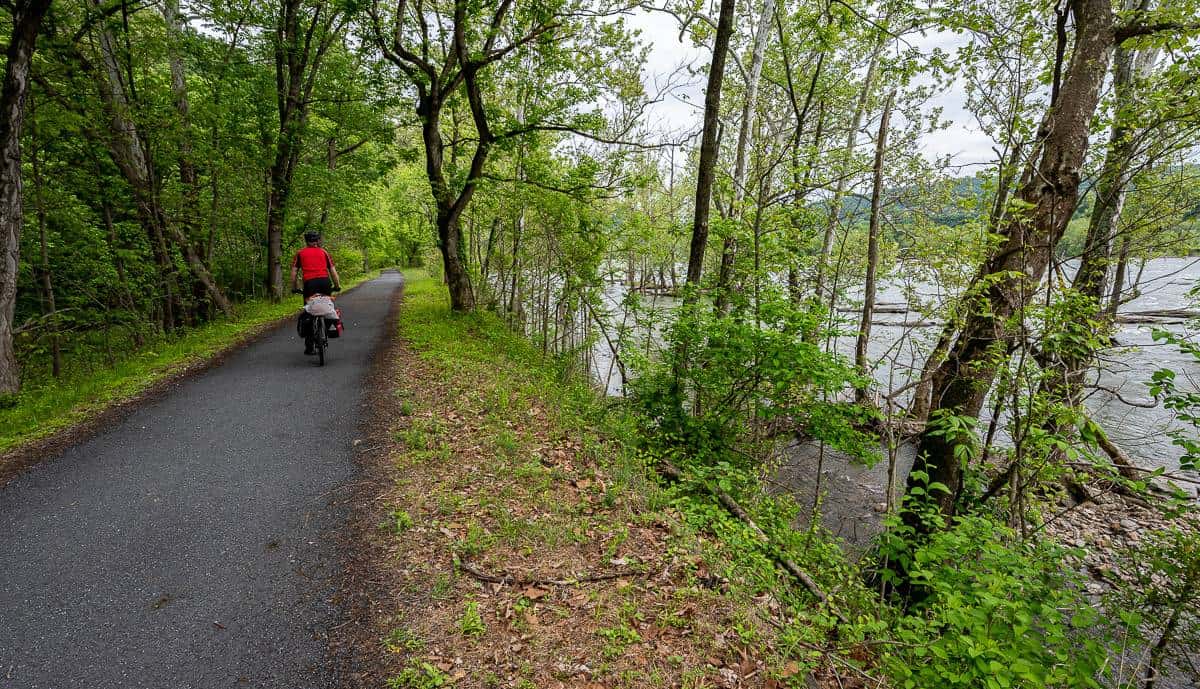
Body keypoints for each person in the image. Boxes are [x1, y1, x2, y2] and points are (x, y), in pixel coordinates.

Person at [291, 231, 341, 355]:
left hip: (309, 284)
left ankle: (309, 347)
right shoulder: (324, 252)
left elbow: (294, 273)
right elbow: (333, 272)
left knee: (309, 311)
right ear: (317, 241)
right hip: (324, 282)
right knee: (327, 306)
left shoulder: (300, 253)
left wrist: (294, 287)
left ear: (306, 241)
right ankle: (329, 330)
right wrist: (337, 286)